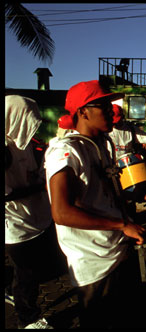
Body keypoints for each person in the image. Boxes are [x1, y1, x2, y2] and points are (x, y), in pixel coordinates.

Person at [44, 80, 146, 328]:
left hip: (117, 250)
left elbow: (101, 195)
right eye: (103, 106)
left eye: (111, 105)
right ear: (82, 111)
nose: (112, 110)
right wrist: (122, 225)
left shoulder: (102, 144)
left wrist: (138, 196)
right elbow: (61, 212)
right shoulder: (65, 150)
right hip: (94, 263)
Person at [5, 95, 57, 329]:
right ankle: (28, 319)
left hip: (37, 216)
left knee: (32, 270)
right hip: (15, 223)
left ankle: (14, 295)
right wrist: (39, 186)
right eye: (28, 120)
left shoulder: (24, 142)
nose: (33, 126)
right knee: (26, 274)